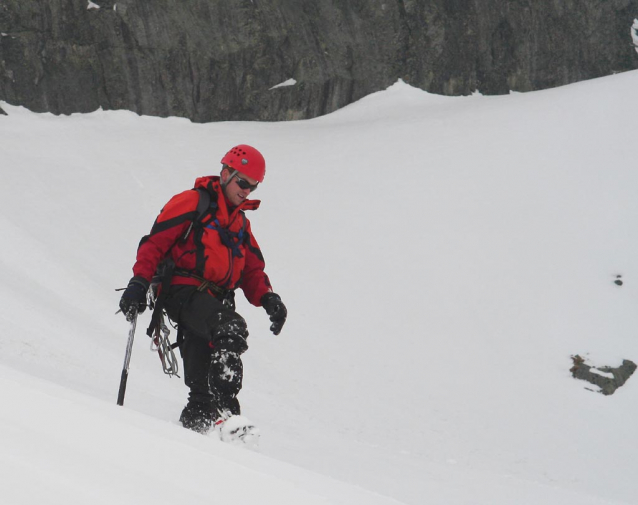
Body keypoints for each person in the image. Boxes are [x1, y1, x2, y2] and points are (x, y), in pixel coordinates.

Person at [118, 144, 287, 437]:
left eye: (253, 185)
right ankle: (228, 415)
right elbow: (154, 244)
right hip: (183, 293)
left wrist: (268, 298)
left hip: (213, 302)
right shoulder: (192, 202)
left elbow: (252, 271)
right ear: (225, 173)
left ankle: (195, 442)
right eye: (242, 182)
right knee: (231, 328)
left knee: (201, 392)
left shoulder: (240, 223)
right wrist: (138, 283)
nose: (247, 190)